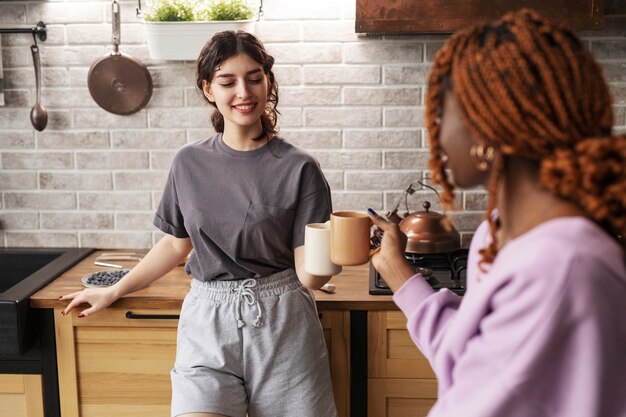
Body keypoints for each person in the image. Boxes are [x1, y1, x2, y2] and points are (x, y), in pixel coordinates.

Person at [60, 31, 339, 417]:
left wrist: (334, 254)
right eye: (228, 81)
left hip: (283, 322)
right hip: (208, 320)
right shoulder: (188, 163)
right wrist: (115, 290)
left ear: (268, 82)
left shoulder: (299, 168)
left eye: (255, 78)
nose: (244, 91)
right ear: (209, 89)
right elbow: (176, 244)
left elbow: (310, 275)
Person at [369, 9, 626, 417]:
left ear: (486, 127)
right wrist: (400, 273)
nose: (435, 130)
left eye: (442, 114)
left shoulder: (562, 266)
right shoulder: (498, 232)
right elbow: (474, 365)